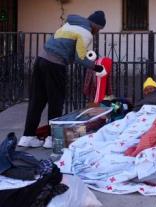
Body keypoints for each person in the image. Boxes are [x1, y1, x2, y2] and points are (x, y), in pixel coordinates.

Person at [18, 11, 107, 149]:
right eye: (99, 29)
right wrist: (97, 68)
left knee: (37, 99)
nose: (97, 32)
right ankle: (51, 138)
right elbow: (80, 57)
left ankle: (27, 137)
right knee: (56, 101)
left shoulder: (69, 24)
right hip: (55, 65)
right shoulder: (86, 33)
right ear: (95, 25)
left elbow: (65, 47)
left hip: (40, 60)